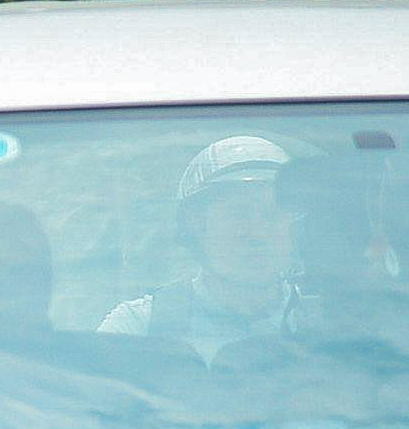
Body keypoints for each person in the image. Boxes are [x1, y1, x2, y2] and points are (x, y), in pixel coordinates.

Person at [101, 136, 306, 360]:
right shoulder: (137, 327)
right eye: (238, 214)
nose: (257, 234)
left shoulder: (329, 326)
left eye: (272, 215)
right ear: (195, 224)